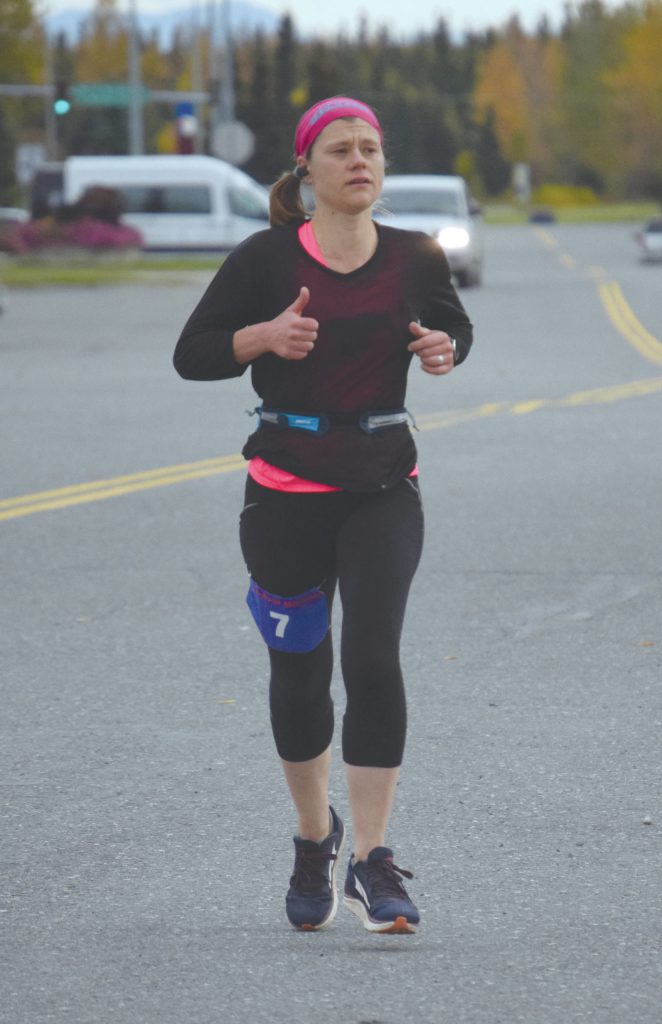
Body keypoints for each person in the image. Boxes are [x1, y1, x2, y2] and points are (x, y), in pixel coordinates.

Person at [174, 96, 474, 935]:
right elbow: (192, 354)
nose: (359, 161)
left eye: (370, 148)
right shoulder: (264, 258)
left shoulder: (416, 255)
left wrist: (445, 350)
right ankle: (315, 836)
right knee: (301, 671)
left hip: (383, 484)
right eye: (340, 149)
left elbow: (453, 329)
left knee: (373, 659)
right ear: (306, 167)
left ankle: (372, 859)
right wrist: (261, 338)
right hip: (283, 492)